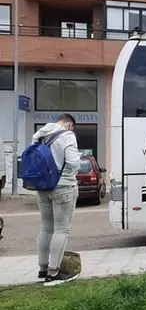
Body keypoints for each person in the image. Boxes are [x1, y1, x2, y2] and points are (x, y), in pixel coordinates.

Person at [34, 113, 81, 286]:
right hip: (63, 187)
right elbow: (73, 162)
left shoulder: (40, 135)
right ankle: (54, 272)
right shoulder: (67, 135)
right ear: (69, 125)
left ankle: (43, 268)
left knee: (46, 229)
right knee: (61, 230)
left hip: (42, 187)